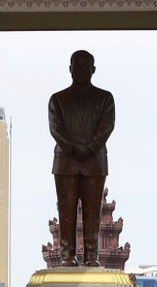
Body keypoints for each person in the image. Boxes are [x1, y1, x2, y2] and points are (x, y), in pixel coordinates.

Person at [49, 50, 115, 267]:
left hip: (94, 162)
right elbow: (55, 129)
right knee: (66, 210)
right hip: (66, 162)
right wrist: (74, 148)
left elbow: (107, 126)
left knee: (93, 210)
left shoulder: (105, 98)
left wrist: (90, 147)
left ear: (93, 70)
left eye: (85, 68)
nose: (80, 72)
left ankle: (91, 256)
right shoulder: (58, 99)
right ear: (70, 70)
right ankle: (67, 256)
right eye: (76, 68)